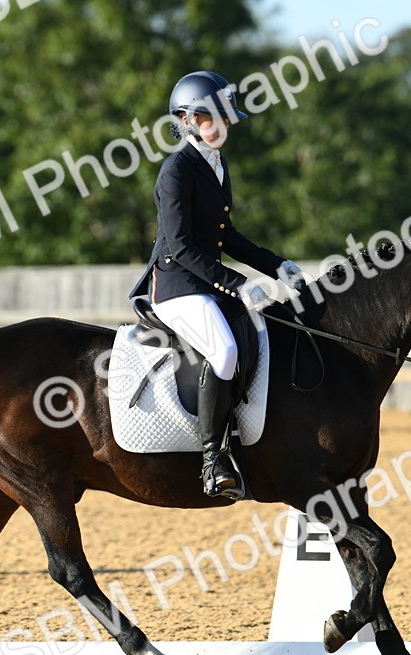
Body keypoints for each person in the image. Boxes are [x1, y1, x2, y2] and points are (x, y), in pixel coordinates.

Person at [130, 71, 306, 500]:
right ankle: (213, 459)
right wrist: (238, 284)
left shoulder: (216, 164)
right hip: (176, 285)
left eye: (225, 118)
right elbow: (182, 246)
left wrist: (276, 265)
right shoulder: (176, 171)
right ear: (186, 120)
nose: (221, 126)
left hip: (205, 283)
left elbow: (226, 237)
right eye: (211, 118)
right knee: (224, 351)